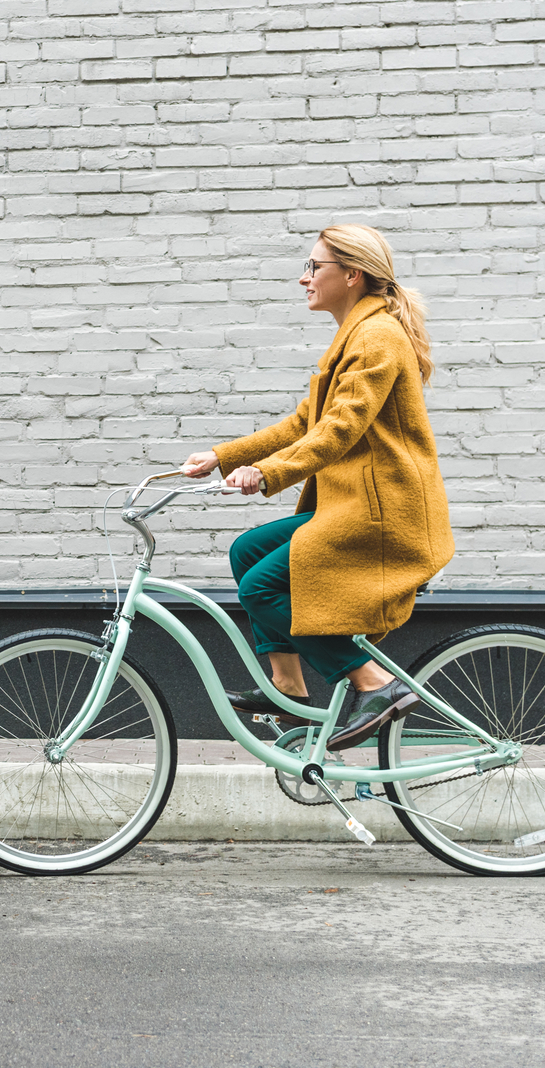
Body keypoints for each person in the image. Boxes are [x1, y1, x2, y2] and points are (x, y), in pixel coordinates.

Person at [181, 224, 454, 752]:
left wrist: (267, 474)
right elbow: (306, 423)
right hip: (354, 506)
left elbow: (338, 431)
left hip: (383, 516)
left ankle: (373, 683)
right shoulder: (354, 334)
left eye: (314, 267)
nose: (303, 278)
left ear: (352, 275)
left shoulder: (376, 338)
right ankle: (288, 684)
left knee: (262, 586)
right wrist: (223, 456)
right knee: (247, 551)